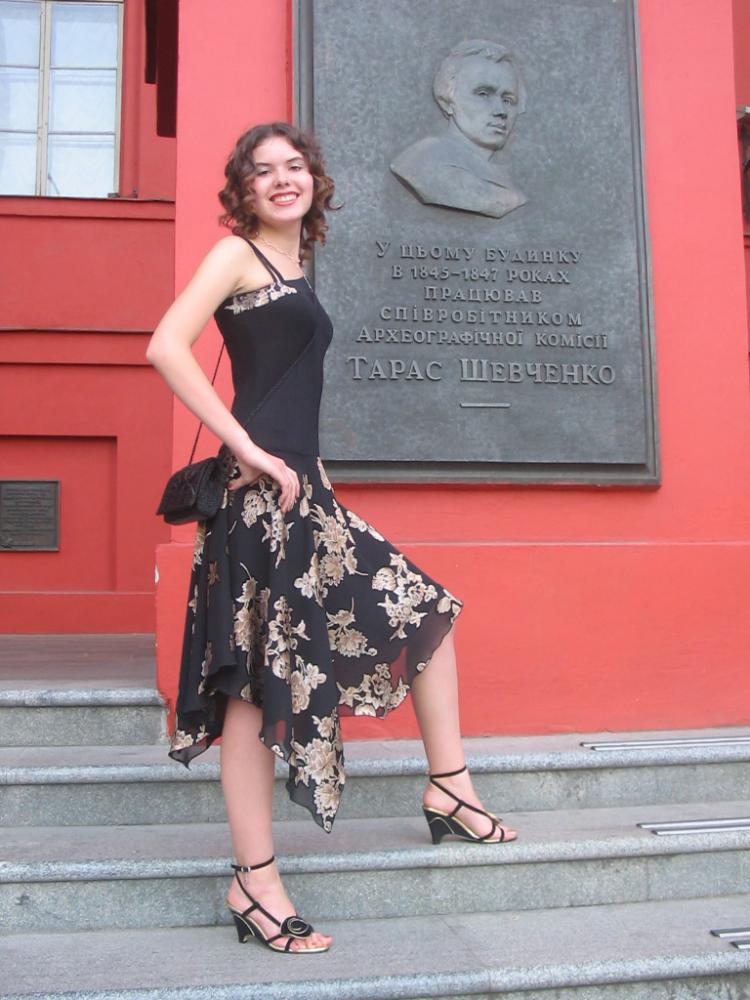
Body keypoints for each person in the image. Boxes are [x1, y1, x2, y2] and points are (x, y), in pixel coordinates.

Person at [146, 121, 517, 956]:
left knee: (423, 612)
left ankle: (450, 790)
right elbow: (165, 345)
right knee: (250, 693)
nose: (283, 178)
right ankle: (255, 882)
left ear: (314, 180)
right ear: (242, 190)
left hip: (305, 496)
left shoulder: (295, 268)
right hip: (256, 505)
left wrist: (314, 478)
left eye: (295, 166)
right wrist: (245, 449)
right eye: (263, 170)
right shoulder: (237, 255)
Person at [390, 39, 528, 219]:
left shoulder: (506, 179)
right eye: (483, 94)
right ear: (447, 101)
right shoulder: (423, 164)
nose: (501, 111)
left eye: (508, 100)